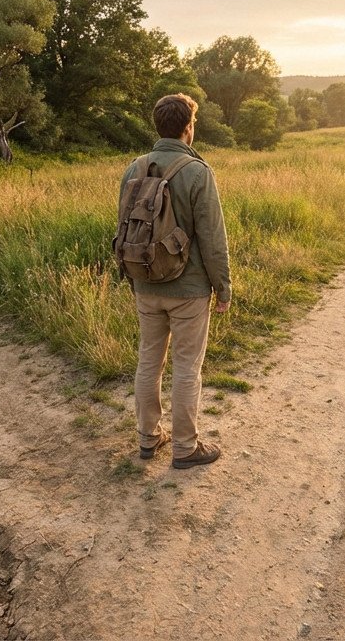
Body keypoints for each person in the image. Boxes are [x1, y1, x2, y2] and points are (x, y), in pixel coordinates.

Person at [121, 93, 232, 469]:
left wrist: (134, 278)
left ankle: (148, 438)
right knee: (187, 368)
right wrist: (224, 287)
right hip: (189, 290)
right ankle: (185, 448)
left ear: (158, 125)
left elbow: (126, 228)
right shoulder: (198, 172)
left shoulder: (133, 168)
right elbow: (213, 238)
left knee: (148, 362)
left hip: (145, 283)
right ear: (189, 127)